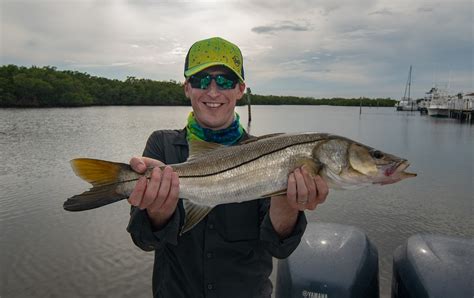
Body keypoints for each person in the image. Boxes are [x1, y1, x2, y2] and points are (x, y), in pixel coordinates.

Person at [126, 37, 329, 297]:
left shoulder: (274, 157)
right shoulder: (161, 146)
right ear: (187, 88)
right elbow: (143, 240)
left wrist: (286, 204)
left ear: (240, 89)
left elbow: (279, 248)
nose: (213, 91)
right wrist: (157, 214)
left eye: (224, 81)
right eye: (201, 80)